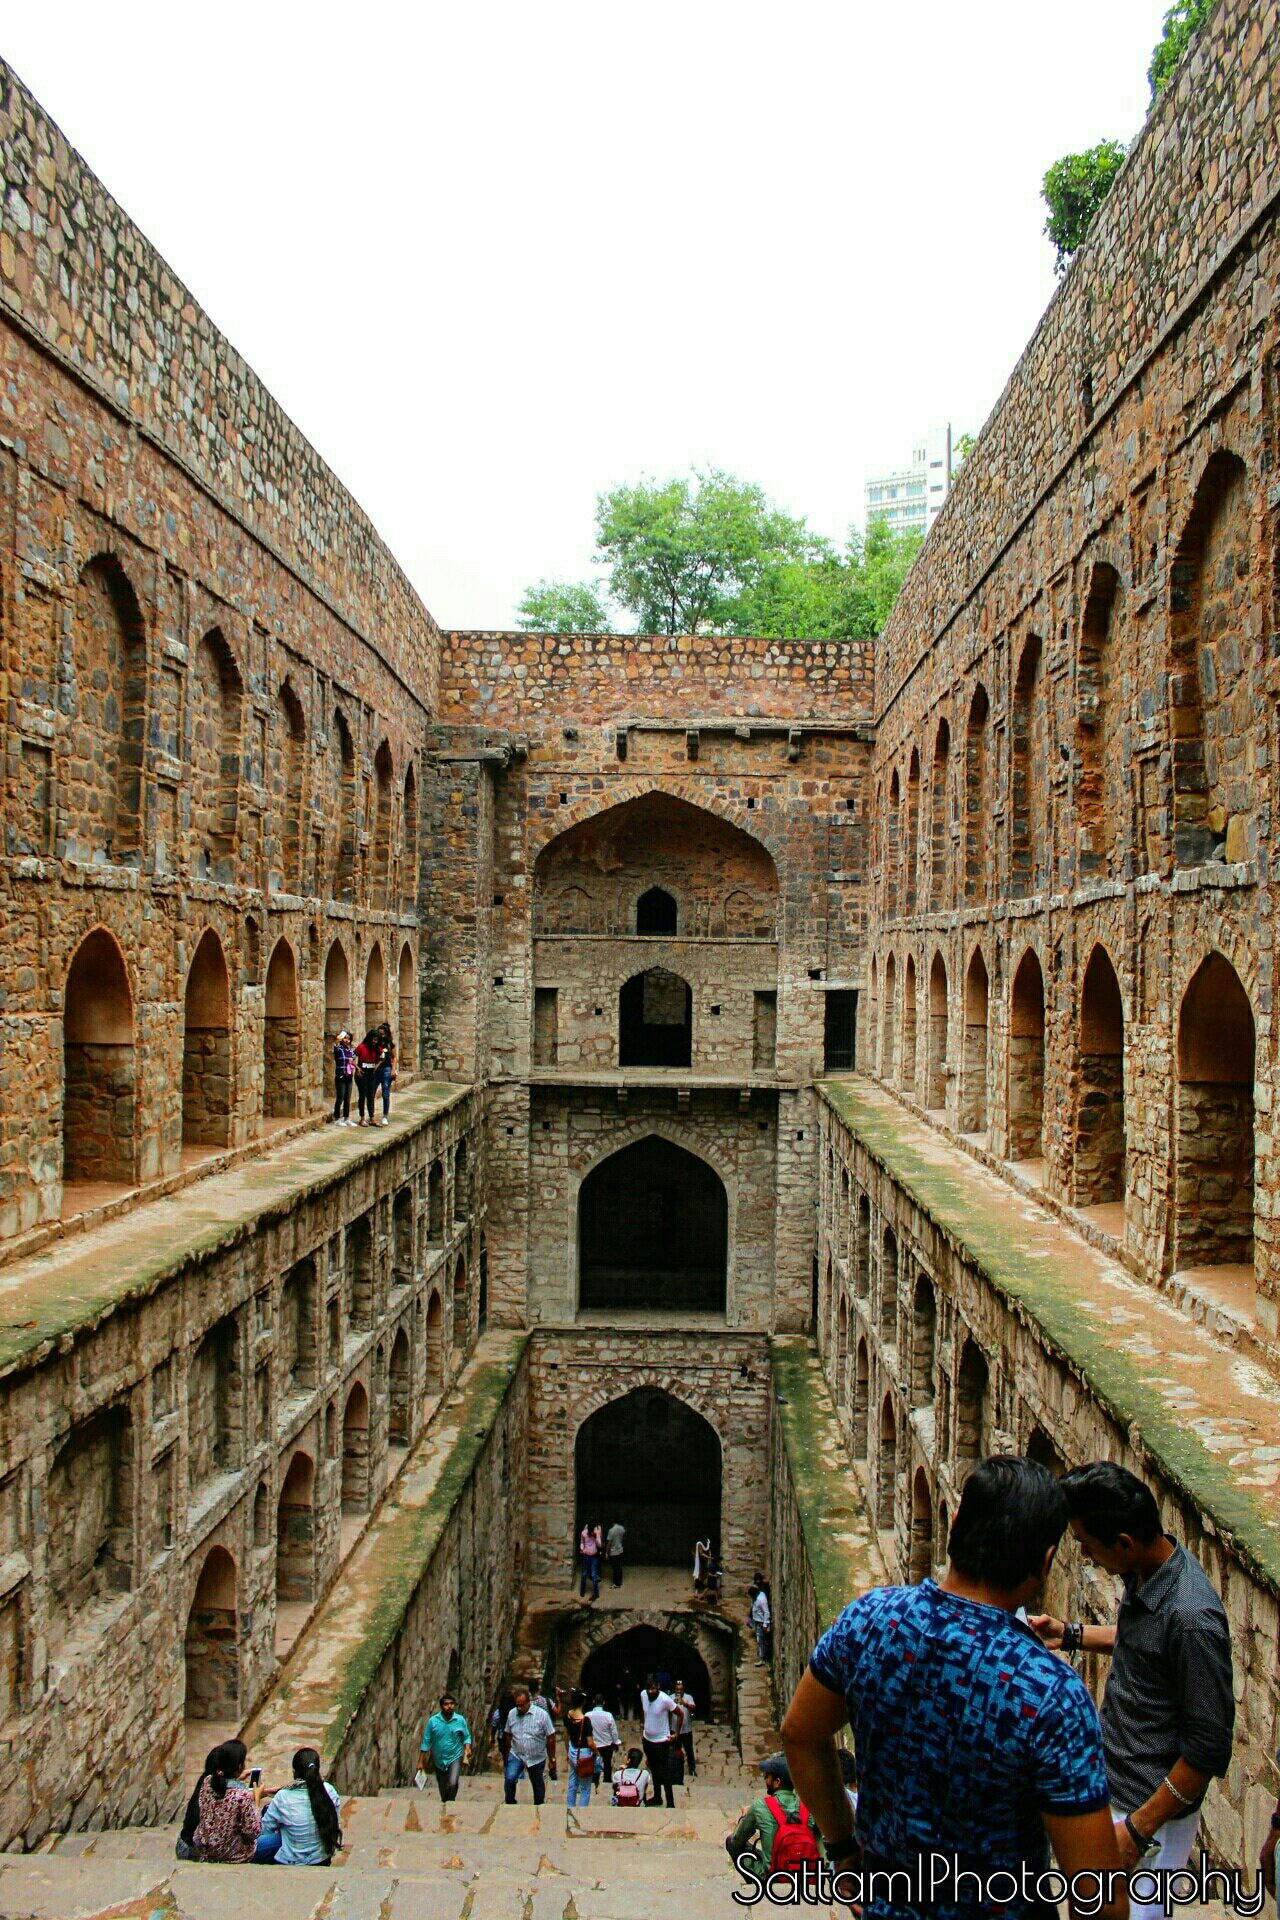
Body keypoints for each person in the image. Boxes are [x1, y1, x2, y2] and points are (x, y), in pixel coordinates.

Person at [780, 1456, 1126, 1920]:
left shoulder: (870, 1622)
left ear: (956, 1524)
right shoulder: (1050, 1694)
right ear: (1045, 1562)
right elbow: (1098, 1899)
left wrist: (844, 1849)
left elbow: (799, 1734)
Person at [1031, 1461, 1234, 1918]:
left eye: (1085, 1543)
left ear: (1123, 1542)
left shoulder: (1192, 1618)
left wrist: (1137, 1832)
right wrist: (1070, 1634)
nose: (1082, 1554)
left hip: (1147, 1817)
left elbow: (1207, 1749)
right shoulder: (1146, 1574)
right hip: (1114, 1791)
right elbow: (1141, 1645)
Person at [725, 1753, 818, 1887]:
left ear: (777, 1782)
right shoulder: (807, 1808)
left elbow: (737, 1840)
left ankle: (756, 1884)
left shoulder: (760, 1806)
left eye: (767, 1776)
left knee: (730, 1842)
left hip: (773, 1876)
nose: (764, 1779)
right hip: (805, 1874)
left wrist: (744, 1817)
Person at [253, 1747, 341, 1865]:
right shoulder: (329, 1791)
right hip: (322, 1859)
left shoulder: (283, 1797)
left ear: (294, 1773)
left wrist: (257, 1799)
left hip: (291, 1860)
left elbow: (262, 1831)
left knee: (256, 1841)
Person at [189, 1740, 264, 1864]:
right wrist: (256, 1798)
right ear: (240, 1766)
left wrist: (235, 1778)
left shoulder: (208, 1782)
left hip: (205, 1849)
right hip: (231, 1855)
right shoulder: (242, 1796)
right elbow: (254, 1831)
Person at [503, 1686, 557, 1805]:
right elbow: (507, 1734)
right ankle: (510, 1801)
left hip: (536, 1757)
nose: (519, 1708)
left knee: (537, 1782)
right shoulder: (512, 1714)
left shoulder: (542, 1715)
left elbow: (551, 1737)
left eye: (522, 1705)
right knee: (510, 1777)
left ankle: (539, 1803)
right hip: (516, 1754)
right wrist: (507, 1754)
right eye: (517, 1705)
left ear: (529, 1702)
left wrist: (552, 1758)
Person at [420, 1692, 474, 1802]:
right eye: (446, 1704)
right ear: (441, 1706)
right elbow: (426, 1741)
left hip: (455, 1756)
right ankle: (445, 1802)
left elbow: (466, 1736)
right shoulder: (433, 1721)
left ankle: (451, 1802)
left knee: (453, 1783)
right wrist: (420, 1761)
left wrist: (467, 1747)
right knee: (443, 1786)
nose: (449, 1706)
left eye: (452, 1704)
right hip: (439, 1759)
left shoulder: (460, 1720)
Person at [640, 1675, 678, 1809]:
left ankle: (670, 1802)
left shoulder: (665, 1700)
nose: (650, 1691)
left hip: (661, 1741)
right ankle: (657, 1797)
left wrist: (675, 1733)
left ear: (658, 1687)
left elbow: (680, 1713)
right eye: (648, 1688)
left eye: (653, 1688)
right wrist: (643, 1723)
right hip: (648, 1740)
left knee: (664, 1772)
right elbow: (644, 1710)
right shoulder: (643, 1695)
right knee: (654, 1769)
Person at [564, 1691, 596, 1807]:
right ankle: (582, 1811)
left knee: (572, 1781)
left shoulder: (567, 1716)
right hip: (584, 1754)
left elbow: (565, 1735)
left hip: (572, 1750)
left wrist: (567, 1751)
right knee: (585, 1787)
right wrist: (597, 1753)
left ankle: (570, 1806)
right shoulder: (585, 1721)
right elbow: (590, 1743)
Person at [587, 1691, 621, 1784]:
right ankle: (607, 1781)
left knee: (592, 1764)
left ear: (593, 1702)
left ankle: (594, 1781)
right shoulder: (608, 1715)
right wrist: (616, 1742)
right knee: (607, 1764)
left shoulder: (587, 1715)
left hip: (592, 1744)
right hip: (606, 1744)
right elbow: (613, 1731)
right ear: (603, 1703)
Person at [354, 1029, 385, 1127]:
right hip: (362, 1073)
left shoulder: (377, 1048)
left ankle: (371, 1117)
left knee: (371, 1096)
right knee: (362, 1095)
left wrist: (376, 1066)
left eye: (376, 1040)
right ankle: (362, 1118)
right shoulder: (361, 1047)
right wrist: (357, 1068)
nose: (374, 1042)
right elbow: (351, 1057)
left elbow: (383, 1057)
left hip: (371, 1073)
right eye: (374, 1039)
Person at [672, 1680, 697, 1779]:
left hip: (686, 1730)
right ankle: (675, 1769)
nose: (679, 1691)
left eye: (681, 1689)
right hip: (674, 1730)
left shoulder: (688, 1697)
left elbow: (693, 1708)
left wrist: (685, 1704)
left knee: (689, 1750)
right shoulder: (670, 1698)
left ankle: (692, 1769)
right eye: (677, 1689)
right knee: (675, 1750)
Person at [331, 1029, 355, 1125]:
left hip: (348, 1076)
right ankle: (336, 1118)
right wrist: (339, 1037)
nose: (346, 1040)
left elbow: (353, 1059)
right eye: (345, 1038)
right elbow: (335, 1045)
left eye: (348, 1039)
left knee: (347, 1098)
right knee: (340, 1097)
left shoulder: (350, 1051)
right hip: (341, 1075)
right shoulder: (339, 1049)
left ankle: (346, 1118)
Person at [376, 1022, 397, 1121]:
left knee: (385, 1093)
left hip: (386, 1068)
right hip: (376, 1069)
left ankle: (385, 1115)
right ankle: (371, 1115)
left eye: (383, 1034)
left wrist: (393, 1069)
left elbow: (394, 1056)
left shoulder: (389, 1044)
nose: (381, 1036)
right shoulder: (375, 1043)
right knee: (371, 1092)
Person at [579, 1519, 603, 1601]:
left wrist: (596, 1536)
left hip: (594, 1557)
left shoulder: (596, 1532)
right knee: (584, 1574)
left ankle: (596, 1593)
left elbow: (599, 1545)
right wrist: (581, 1549)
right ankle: (582, 1590)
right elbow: (582, 1542)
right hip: (586, 1556)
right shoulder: (584, 1533)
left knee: (593, 1575)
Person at [749, 1583, 771, 1664]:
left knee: (760, 1640)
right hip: (756, 1621)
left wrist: (765, 1625)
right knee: (760, 1640)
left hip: (761, 1623)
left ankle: (762, 1659)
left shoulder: (761, 1600)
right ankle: (762, 1654)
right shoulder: (758, 1596)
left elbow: (766, 1612)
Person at [606, 1518, 626, 1587]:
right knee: (619, 1567)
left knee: (615, 1568)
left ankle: (616, 1583)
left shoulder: (611, 1531)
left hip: (614, 1551)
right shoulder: (622, 1528)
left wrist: (606, 1552)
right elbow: (622, 1537)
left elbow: (609, 1543)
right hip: (620, 1550)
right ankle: (620, 1581)